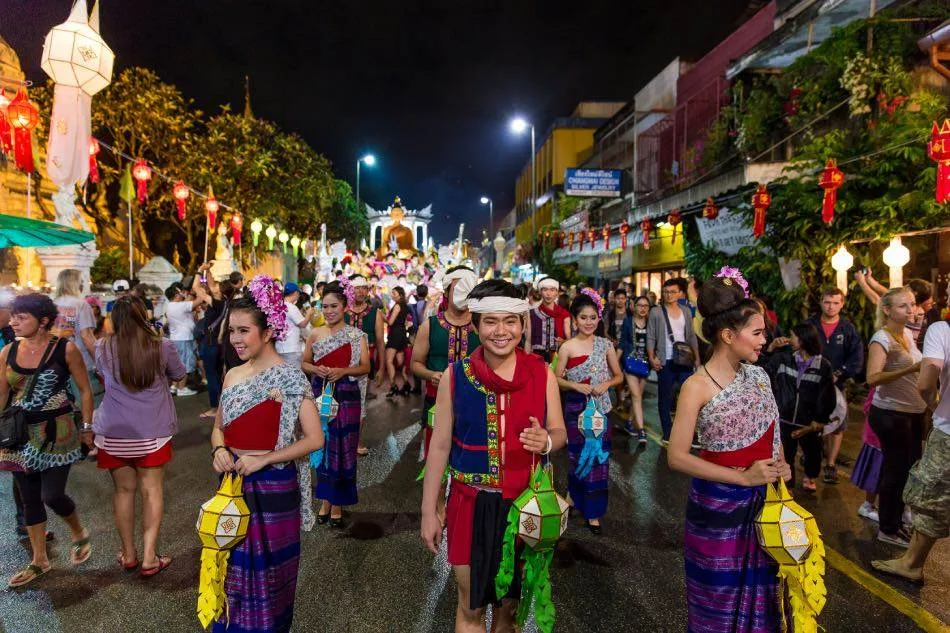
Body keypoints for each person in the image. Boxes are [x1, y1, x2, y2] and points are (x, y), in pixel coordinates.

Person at [420, 279, 567, 633]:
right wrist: (428, 510)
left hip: (524, 505)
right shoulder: (454, 378)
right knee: (469, 606)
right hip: (470, 504)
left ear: (521, 324)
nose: (501, 331)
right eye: (490, 321)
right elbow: (439, 446)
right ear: (475, 324)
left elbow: (560, 432)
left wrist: (546, 441)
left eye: (510, 321)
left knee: (510, 612)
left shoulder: (542, 373)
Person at [667, 270, 790, 632]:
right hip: (716, 510)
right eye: (757, 333)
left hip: (763, 504)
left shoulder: (760, 376)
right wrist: (742, 477)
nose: (763, 341)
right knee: (716, 605)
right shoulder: (696, 386)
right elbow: (676, 457)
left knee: (766, 601)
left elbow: (774, 437)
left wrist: (781, 470)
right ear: (727, 335)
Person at [209, 275, 324, 632]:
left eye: (243, 331)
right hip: (232, 484)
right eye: (232, 331)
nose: (235, 339)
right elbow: (219, 426)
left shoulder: (290, 377)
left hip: (274, 486)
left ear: (269, 331)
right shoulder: (232, 375)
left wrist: (266, 458)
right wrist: (218, 448)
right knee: (231, 569)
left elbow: (315, 439)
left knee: (272, 575)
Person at [0, 293, 95, 588]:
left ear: (42, 321)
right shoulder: (7, 353)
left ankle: (78, 531)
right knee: (28, 499)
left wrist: (88, 428)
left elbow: (86, 390)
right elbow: (3, 395)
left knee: (51, 495)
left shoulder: (65, 349)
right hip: (19, 436)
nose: (13, 322)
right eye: (13, 316)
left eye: (21, 317)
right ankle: (40, 559)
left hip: (58, 431)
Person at [93, 295, 185, 576]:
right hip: (152, 431)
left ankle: (129, 554)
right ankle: (149, 557)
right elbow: (179, 374)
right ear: (144, 316)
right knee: (151, 491)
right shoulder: (161, 345)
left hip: (114, 432)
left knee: (123, 491)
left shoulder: (102, 347)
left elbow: (101, 377)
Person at [872, 309, 950, 582]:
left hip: (949, 433)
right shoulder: (885, 337)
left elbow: (927, 377)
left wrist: (935, 405)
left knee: (932, 499)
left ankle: (912, 563)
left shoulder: (942, 329)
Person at [303, 281, 370, 527]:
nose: (329, 311)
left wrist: (343, 371)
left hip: (347, 394)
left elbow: (365, 367)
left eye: (334, 306)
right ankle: (325, 500)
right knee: (323, 444)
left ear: (344, 307)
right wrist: (316, 369)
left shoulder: (356, 335)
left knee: (344, 448)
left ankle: (338, 502)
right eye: (325, 306)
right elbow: (305, 363)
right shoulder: (314, 334)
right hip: (321, 394)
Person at [555, 290, 622, 534]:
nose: (589, 322)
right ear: (575, 320)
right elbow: (556, 379)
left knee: (598, 460)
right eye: (583, 318)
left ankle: (593, 514)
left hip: (601, 410)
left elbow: (619, 375)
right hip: (575, 408)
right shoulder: (567, 348)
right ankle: (573, 495)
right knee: (575, 458)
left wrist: (607, 384)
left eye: (593, 317)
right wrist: (575, 385)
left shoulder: (605, 346)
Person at [865, 287, 925, 547]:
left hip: (912, 413)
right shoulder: (882, 338)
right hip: (891, 413)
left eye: (911, 305)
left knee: (907, 470)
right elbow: (872, 378)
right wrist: (911, 369)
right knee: (895, 471)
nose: (910, 310)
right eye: (903, 306)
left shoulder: (908, 336)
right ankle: (887, 528)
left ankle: (897, 521)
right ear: (887, 310)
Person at [411, 266, 480, 458]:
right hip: (435, 401)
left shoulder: (482, 327)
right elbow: (415, 363)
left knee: (469, 461)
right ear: (447, 292)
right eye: (457, 289)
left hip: (474, 402)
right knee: (435, 461)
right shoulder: (429, 325)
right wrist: (430, 374)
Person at [764, 323, 836, 492]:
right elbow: (763, 369)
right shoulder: (784, 358)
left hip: (808, 422)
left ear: (804, 339)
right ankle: (787, 485)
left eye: (793, 336)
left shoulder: (823, 366)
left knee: (812, 452)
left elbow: (827, 396)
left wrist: (819, 419)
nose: (789, 339)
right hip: (784, 417)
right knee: (786, 453)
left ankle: (810, 477)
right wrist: (771, 348)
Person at [806, 286, 863, 483]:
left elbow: (856, 358)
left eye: (836, 303)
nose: (831, 307)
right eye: (827, 302)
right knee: (813, 424)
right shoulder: (810, 325)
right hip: (811, 384)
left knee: (837, 424)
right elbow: (799, 350)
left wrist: (840, 374)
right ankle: (812, 461)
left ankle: (830, 464)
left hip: (838, 386)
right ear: (821, 302)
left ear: (842, 304)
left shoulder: (848, 329)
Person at [647, 277, 700, 443]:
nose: (668, 295)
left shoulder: (686, 311)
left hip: (684, 360)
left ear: (680, 294)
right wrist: (652, 357)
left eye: (672, 292)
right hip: (666, 360)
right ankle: (667, 432)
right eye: (666, 292)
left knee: (689, 398)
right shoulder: (656, 311)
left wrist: (697, 357)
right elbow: (651, 336)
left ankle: (690, 434)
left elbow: (691, 336)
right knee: (665, 398)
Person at [52, 269, 103, 407]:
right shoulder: (81, 304)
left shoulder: (51, 303)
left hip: (55, 363)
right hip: (81, 362)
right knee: (92, 404)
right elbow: (87, 337)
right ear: (74, 283)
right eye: (81, 281)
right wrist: (100, 362)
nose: (83, 284)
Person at [193, 264, 237, 420]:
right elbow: (210, 284)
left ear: (220, 291)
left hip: (210, 344)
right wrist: (207, 269)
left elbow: (195, 287)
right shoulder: (225, 302)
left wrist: (199, 271)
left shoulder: (215, 303)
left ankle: (214, 408)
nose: (213, 286)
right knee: (218, 375)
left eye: (217, 286)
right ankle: (222, 406)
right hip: (218, 344)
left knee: (212, 376)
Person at [619, 295, 651, 444]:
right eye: (640, 305)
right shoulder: (627, 321)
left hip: (645, 364)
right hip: (630, 363)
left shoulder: (651, 322)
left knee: (638, 396)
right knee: (637, 396)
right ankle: (641, 431)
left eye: (646, 306)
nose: (643, 308)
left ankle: (629, 421)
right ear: (634, 306)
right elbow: (622, 343)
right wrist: (616, 367)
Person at [164, 283, 203, 397]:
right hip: (184, 338)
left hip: (176, 338)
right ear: (176, 294)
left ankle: (175, 386)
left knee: (178, 363)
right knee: (185, 364)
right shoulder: (180, 306)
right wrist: (200, 290)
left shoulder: (170, 305)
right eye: (180, 291)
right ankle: (182, 388)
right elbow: (200, 300)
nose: (182, 292)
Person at [525, 276, 571, 362]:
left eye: (552, 290)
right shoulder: (531, 313)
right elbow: (528, 341)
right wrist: (526, 361)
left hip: (558, 358)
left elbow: (570, 341)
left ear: (557, 292)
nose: (548, 294)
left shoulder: (564, 314)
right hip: (536, 358)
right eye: (545, 290)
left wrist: (563, 342)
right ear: (540, 292)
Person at [275, 282, 312, 366]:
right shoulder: (291, 307)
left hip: (279, 347)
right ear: (295, 293)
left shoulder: (278, 306)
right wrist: (309, 313)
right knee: (294, 374)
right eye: (298, 293)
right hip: (292, 349)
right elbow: (303, 324)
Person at [384, 286, 410, 397]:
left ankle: (393, 386)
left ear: (400, 294)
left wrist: (381, 316)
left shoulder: (397, 305)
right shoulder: (405, 306)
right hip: (402, 334)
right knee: (400, 363)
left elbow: (390, 322)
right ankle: (406, 384)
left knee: (389, 361)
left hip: (395, 334)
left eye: (394, 293)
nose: (392, 295)